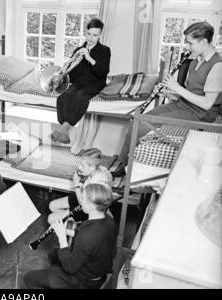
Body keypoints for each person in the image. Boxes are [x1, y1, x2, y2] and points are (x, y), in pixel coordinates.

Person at [113, 21, 222, 177]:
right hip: (183, 105)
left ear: (204, 42)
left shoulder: (217, 66)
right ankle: (122, 162)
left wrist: (178, 88)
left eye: (191, 43)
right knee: (136, 120)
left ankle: (126, 170)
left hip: (200, 114)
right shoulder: (196, 61)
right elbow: (193, 92)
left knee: (143, 126)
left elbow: (207, 104)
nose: (188, 47)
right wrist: (172, 94)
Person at [24, 183, 116, 289]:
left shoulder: (87, 237)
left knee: (29, 278)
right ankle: (56, 274)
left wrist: (63, 239)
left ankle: (62, 280)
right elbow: (89, 237)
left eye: (83, 198)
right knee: (53, 255)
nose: (80, 200)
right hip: (97, 267)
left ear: (91, 207)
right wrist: (63, 231)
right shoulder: (108, 220)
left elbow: (70, 267)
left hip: (85, 280)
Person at [51, 18, 111, 144]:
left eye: (95, 35)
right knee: (63, 97)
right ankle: (65, 134)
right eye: (89, 34)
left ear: (100, 35)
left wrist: (89, 58)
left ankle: (62, 129)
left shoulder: (105, 50)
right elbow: (72, 75)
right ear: (85, 32)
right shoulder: (78, 50)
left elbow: (103, 72)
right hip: (80, 83)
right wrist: (64, 73)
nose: (91, 38)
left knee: (80, 97)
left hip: (96, 83)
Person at [48, 148, 112, 224]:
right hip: (82, 194)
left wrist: (76, 185)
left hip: (85, 207)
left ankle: (77, 223)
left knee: (50, 219)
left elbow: (82, 203)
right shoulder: (100, 170)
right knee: (52, 206)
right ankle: (70, 217)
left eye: (82, 165)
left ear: (92, 167)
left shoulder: (95, 185)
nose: (79, 168)